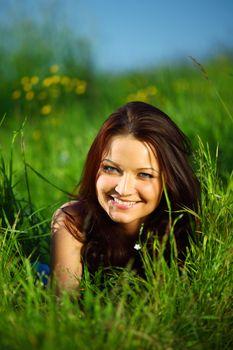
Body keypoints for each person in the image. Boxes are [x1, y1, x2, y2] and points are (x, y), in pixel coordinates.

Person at [51, 101, 200, 294]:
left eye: (145, 174)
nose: (122, 189)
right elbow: (63, 308)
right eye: (110, 169)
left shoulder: (191, 227)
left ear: (170, 180)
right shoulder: (73, 222)